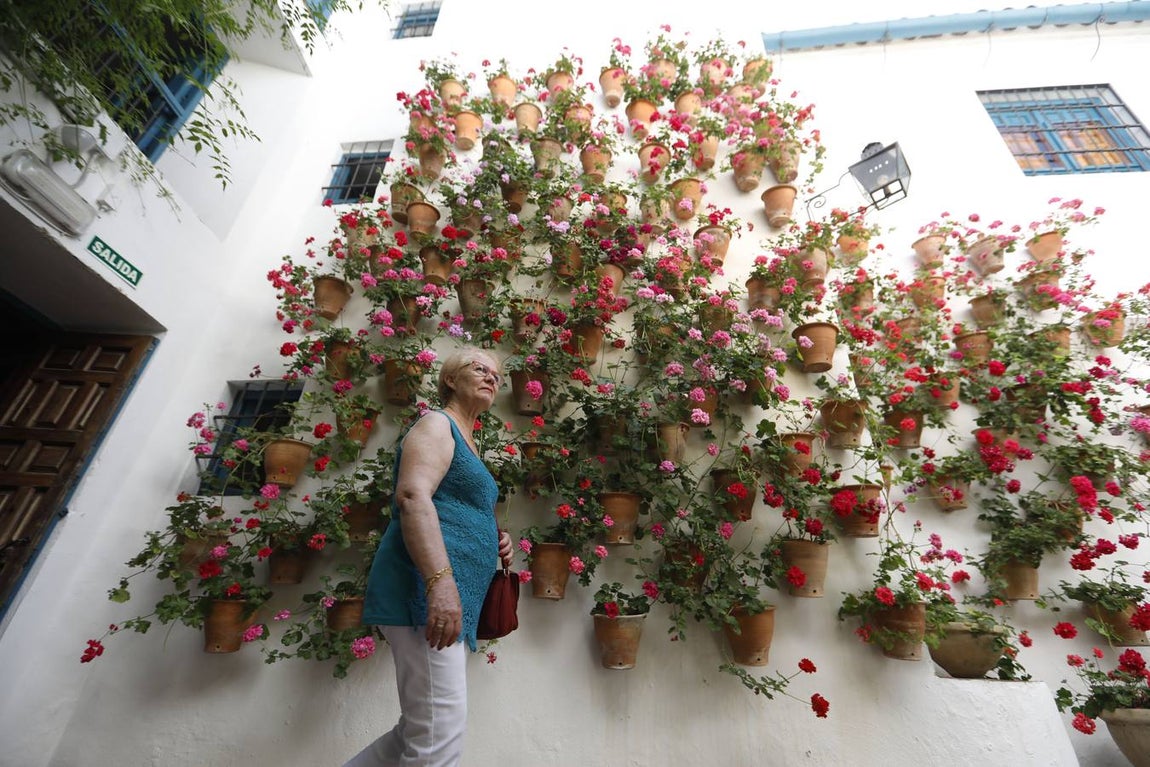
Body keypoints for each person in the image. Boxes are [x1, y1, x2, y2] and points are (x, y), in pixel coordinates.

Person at [344, 347, 513, 767]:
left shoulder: (468, 440)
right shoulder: (438, 424)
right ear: (451, 380)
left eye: (496, 374)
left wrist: (495, 538)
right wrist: (441, 583)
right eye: (479, 369)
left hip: (438, 594)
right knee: (439, 734)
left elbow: (456, 505)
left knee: (419, 729)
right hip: (424, 592)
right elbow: (413, 495)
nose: (491, 377)